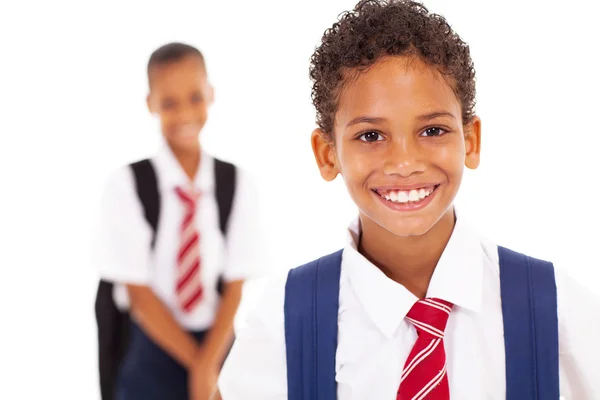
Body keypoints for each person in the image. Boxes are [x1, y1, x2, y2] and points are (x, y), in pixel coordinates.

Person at [217, 1, 600, 399]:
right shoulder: (287, 318)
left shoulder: (553, 306)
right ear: (327, 154)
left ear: (471, 141)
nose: (404, 163)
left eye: (432, 130)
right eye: (371, 136)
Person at [94, 42, 260, 400]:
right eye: (169, 103)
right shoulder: (127, 184)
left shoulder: (236, 183)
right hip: (153, 346)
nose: (184, 112)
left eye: (195, 97)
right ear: (151, 103)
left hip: (217, 341)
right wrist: (198, 367)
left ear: (211, 94)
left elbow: (235, 286)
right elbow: (138, 293)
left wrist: (210, 363)